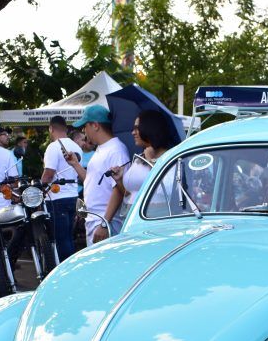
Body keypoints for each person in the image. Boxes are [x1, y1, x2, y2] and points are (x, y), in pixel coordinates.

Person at [64, 105, 130, 244]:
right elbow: (92, 181)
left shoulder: (116, 150)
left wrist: (105, 223)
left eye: (85, 126)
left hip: (106, 223)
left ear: (95, 125)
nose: (84, 131)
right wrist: (76, 164)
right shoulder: (101, 149)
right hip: (96, 220)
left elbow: (118, 189)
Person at [108, 109, 176, 219]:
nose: (133, 132)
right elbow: (130, 195)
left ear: (150, 129)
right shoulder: (138, 159)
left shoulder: (171, 158)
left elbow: (166, 190)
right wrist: (119, 180)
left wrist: (150, 162)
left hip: (154, 221)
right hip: (130, 221)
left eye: (136, 128)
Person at [41, 116, 84, 259]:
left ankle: (65, 271)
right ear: (65, 128)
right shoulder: (76, 146)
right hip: (73, 195)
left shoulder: (53, 147)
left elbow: (48, 174)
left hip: (56, 198)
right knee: (69, 237)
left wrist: (39, 191)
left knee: (61, 239)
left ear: (51, 128)